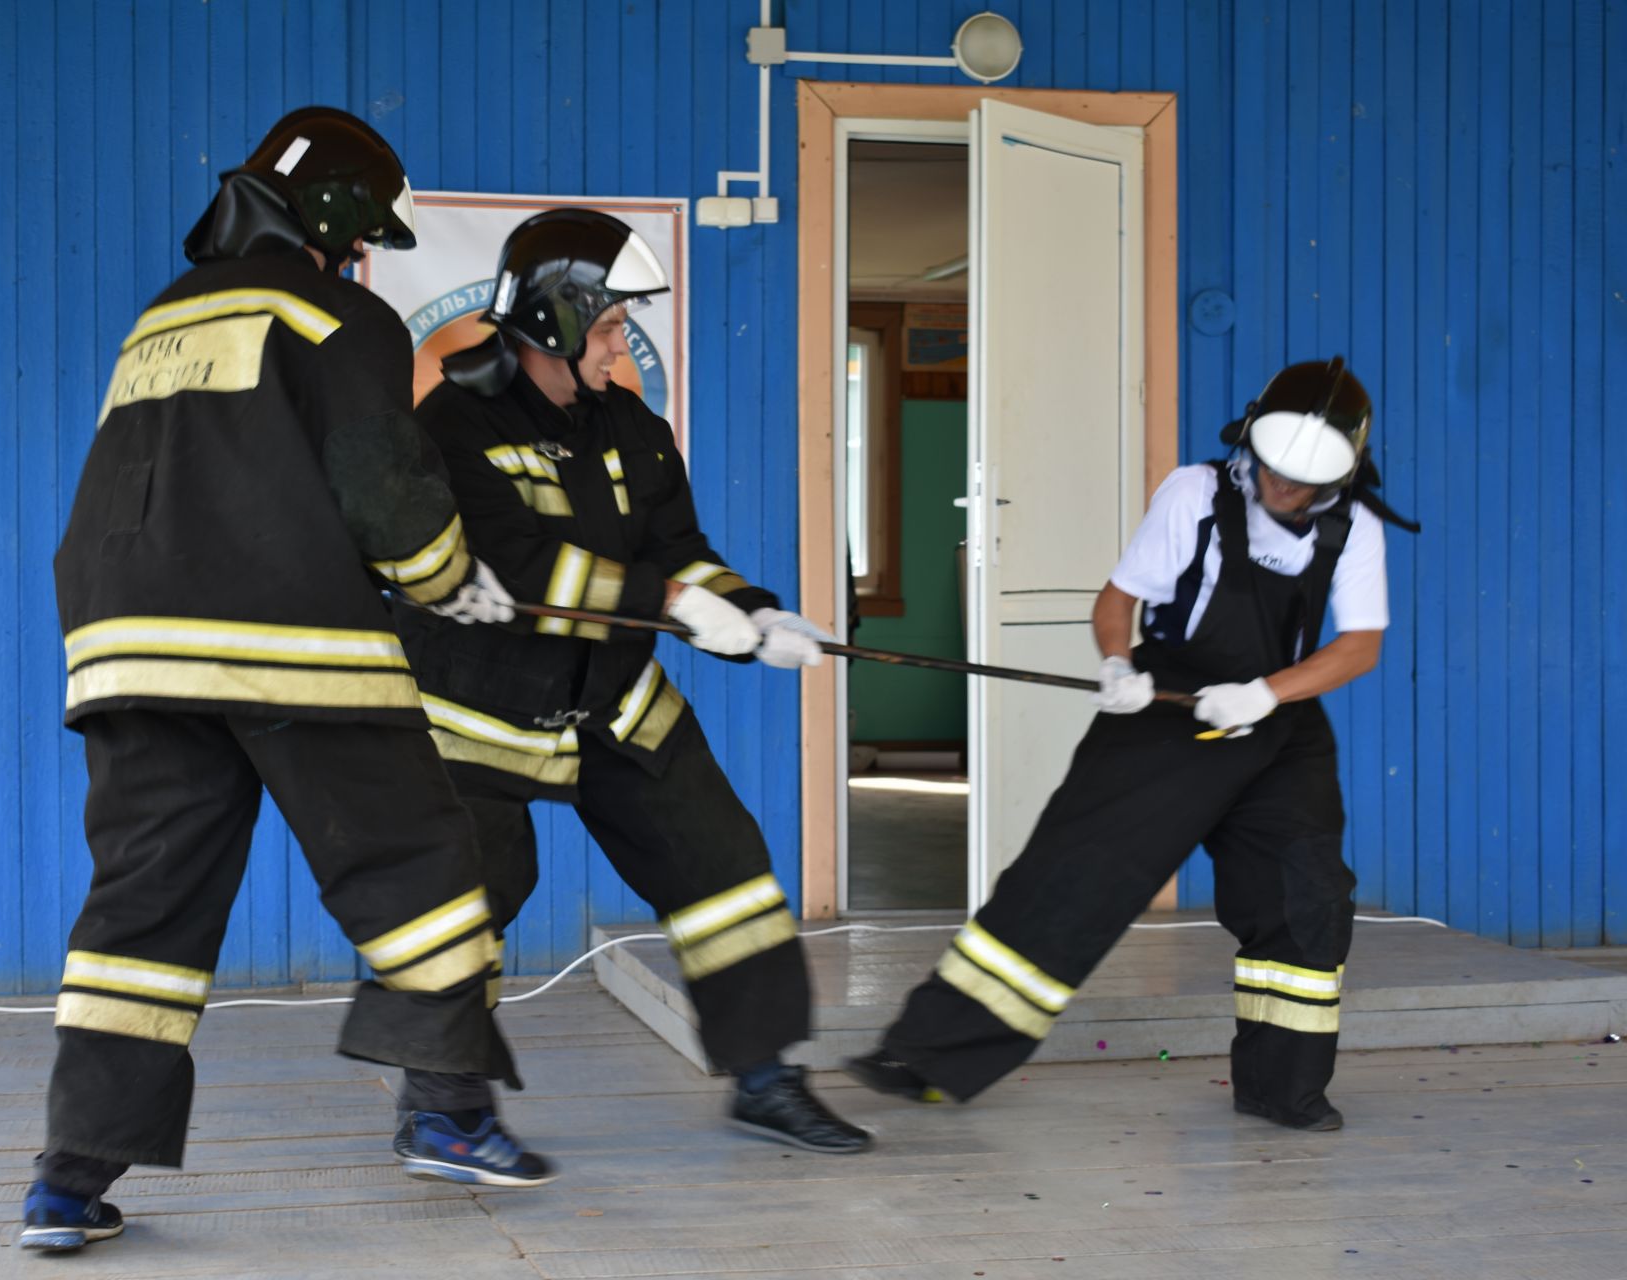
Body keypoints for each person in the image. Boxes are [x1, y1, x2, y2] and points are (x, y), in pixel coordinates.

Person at [21, 107, 551, 1254]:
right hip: (285, 643)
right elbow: (384, 484)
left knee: (139, 916)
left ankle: (67, 1178)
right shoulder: (335, 312)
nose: (365, 263)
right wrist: (452, 579)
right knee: (423, 865)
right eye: (365, 241)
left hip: (124, 650)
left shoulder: (159, 320)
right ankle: (451, 1113)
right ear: (337, 225)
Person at [390, 207, 872, 1162]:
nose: (621, 345)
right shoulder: (455, 423)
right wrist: (671, 602)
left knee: (720, 865)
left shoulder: (632, 424)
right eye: (610, 326)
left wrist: (755, 614)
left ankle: (767, 1077)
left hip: (616, 699)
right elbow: (518, 569)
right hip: (480, 710)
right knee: (471, 898)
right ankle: (444, 1108)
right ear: (559, 320)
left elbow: (680, 552)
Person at [845, 357, 1418, 1133]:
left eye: (1303, 484)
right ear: (1253, 441)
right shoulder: (1195, 493)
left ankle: (1283, 1089)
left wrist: (1265, 693)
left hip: (1279, 724)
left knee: (1305, 899)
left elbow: (1358, 647)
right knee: (1073, 877)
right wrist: (1117, 662)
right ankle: (929, 1057)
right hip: (1168, 707)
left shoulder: (1356, 529)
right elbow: (1120, 599)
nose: (1284, 491)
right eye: (1275, 474)